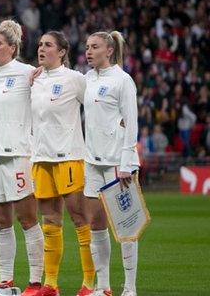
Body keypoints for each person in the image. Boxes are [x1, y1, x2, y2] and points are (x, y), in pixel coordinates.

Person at [0, 20, 44, 296]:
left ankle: (35, 281)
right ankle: (6, 279)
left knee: (27, 219)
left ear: (13, 47)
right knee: (0, 221)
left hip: (18, 154)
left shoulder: (28, 72)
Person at [31, 32, 94, 296]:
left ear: (62, 51)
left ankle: (90, 283)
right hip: (41, 158)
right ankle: (51, 284)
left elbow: (97, 107)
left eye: (48, 45)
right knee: (50, 220)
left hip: (69, 156)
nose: (41, 49)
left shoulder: (75, 79)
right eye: (40, 45)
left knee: (80, 218)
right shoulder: (33, 80)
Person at [83, 31, 140, 296]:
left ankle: (129, 288)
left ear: (109, 50)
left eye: (94, 47)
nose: (89, 51)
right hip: (92, 161)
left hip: (118, 163)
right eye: (87, 47)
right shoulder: (87, 78)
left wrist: (127, 162)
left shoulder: (122, 80)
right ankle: (103, 287)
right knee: (95, 223)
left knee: (126, 225)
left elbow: (132, 123)